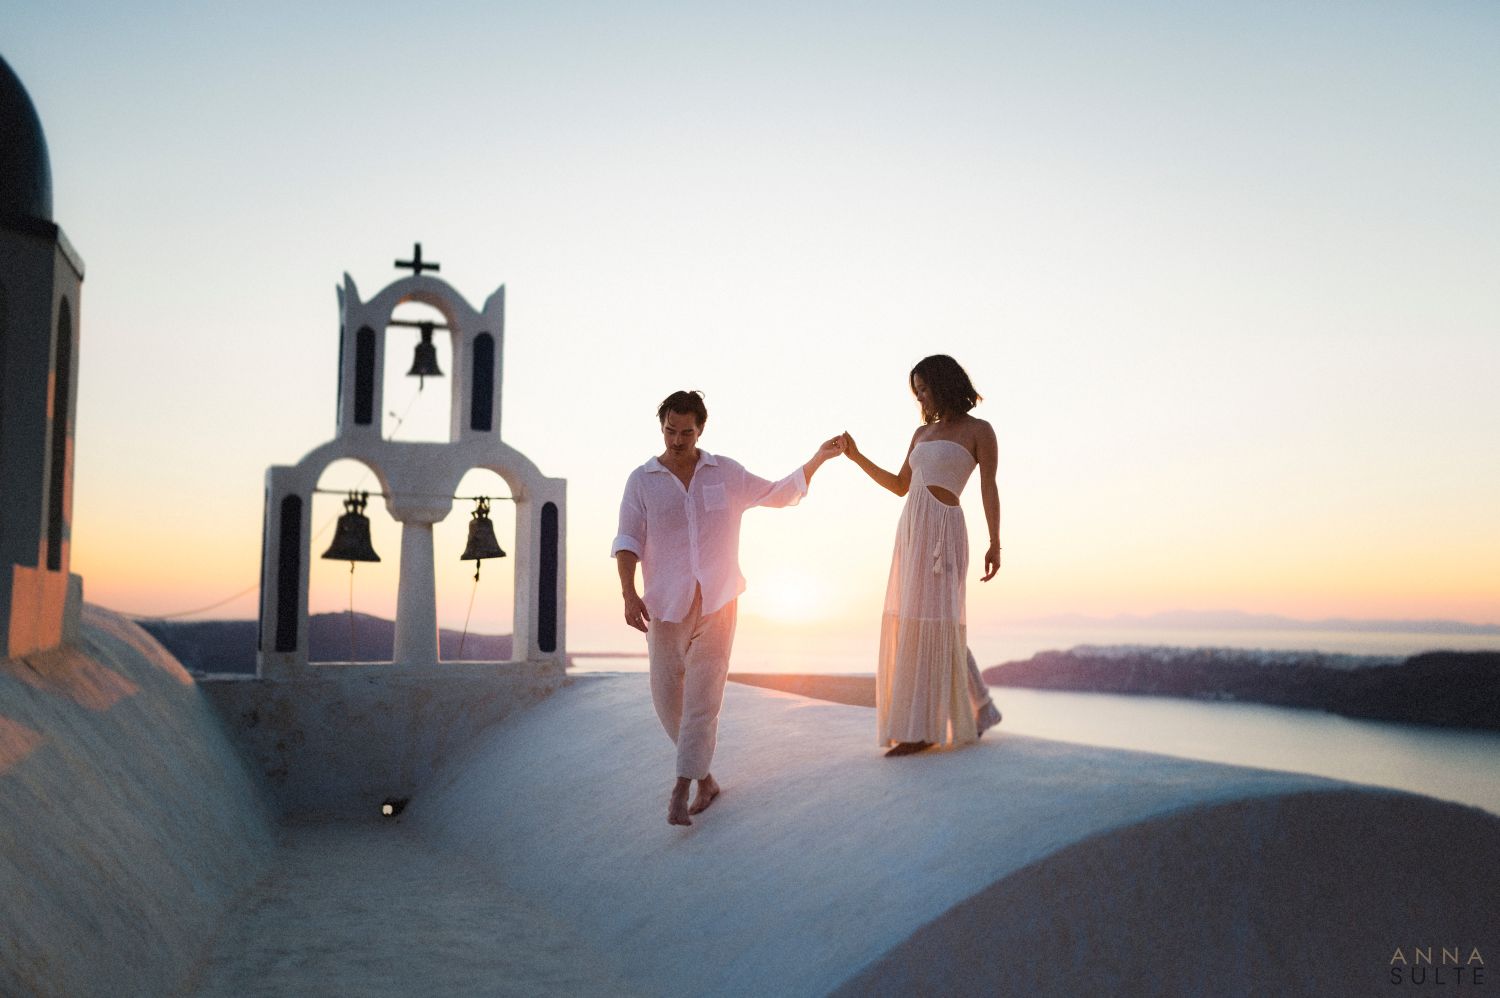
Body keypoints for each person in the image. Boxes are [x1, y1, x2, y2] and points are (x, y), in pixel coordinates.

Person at [613, 390, 843, 825]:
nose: (677, 440)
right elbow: (627, 539)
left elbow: (777, 493)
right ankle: (706, 779)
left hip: (719, 599)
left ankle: (681, 789)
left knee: (704, 696)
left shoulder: (726, 472)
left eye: (686, 432)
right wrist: (628, 592)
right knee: (667, 698)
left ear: (701, 430)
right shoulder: (641, 480)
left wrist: (818, 458)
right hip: (663, 603)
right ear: (660, 426)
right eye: (669, 431)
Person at [840, 355, 1003, 757]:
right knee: (919, 621)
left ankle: (926, 727)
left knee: (940, 621)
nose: (922, 398)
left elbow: (988, 487)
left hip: (944, 534)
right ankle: (978, 708)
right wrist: (857, 456)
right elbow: (899, 485)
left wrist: (995, 542)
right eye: (917, 392)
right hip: (911, 531)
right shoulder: (920, 435)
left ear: (946, 384)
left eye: (926, 389)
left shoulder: (979, 430)